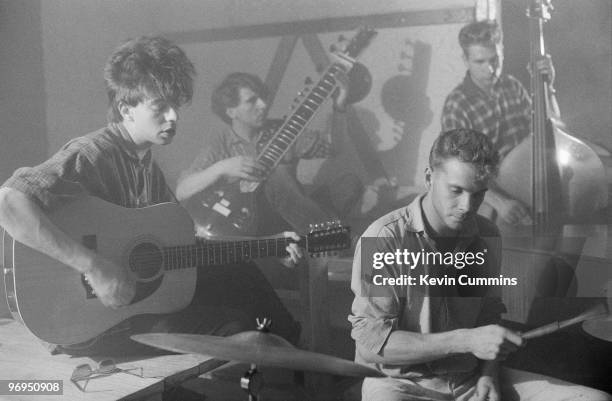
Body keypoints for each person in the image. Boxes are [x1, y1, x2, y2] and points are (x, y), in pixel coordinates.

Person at [0, 36, 302, 355]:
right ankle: (299, 367)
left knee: (238, 273)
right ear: (125, 109)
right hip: (87, 322)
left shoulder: (145, 164)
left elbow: (183, 244)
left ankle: (298, 358)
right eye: (160, 107)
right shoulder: (93, 153)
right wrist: (92, 265)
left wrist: (269, 245)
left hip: (133, 304)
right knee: (233, 328)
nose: (173, 117)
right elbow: (8, 202)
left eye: (176, 106)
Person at [348, 128, 611, 400]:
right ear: (429, 177)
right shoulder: (383, 238)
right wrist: (466, 340)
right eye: (456, 190)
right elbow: (371, 344)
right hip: (400, 384)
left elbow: (488, 316)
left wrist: (489, 374)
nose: (467, 206)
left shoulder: (486, 234)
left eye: (478, 194)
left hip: (469, 379)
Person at [176, 71, 366, 237]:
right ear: (231, 111)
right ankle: (330, 235)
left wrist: (340, 104)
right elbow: (182, 190)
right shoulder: (220, 143)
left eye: (262, 98)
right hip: (258, 223)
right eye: (251, 101)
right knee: (276, 174)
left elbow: (334, 148)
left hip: (294, 211)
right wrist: (221, 168)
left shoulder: (283, 132)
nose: (263, 105)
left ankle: (318, 233)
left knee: (349, 184)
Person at [441, 20, 560, 227]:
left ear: (502, 51)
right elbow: (460, 171)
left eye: (495, 59)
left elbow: (552, 129)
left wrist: (548, 88)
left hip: (533, 188)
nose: (491, 69)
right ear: (465, 60)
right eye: (480, 62)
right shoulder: (457, 105)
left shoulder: (512, 86)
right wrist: (501, 203)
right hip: (491, 197)